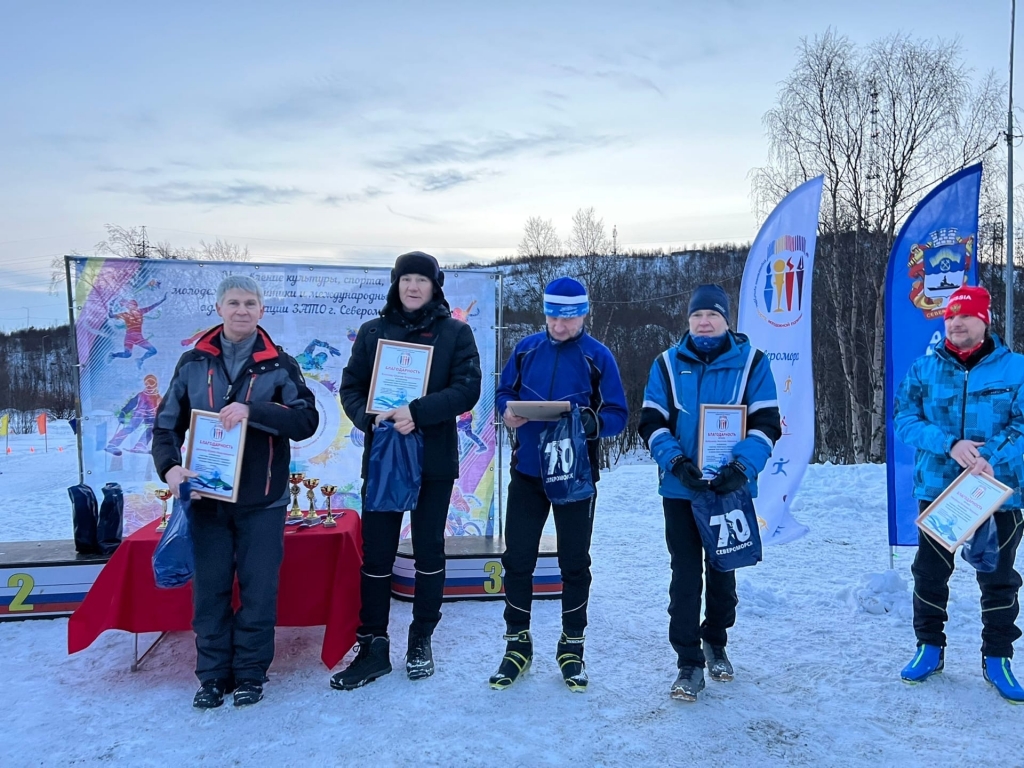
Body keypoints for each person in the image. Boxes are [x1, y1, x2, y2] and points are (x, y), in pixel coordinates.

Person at [152, 276, 318, 709]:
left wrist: (253, 411)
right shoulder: (192, 362)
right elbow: (166, 425)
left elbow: (306, 421)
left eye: (250, 303)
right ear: (219, 308)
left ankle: (249, 675)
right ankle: (211, 676)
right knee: (209, 592)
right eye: (233, 302)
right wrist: (170, 468)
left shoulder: (280, 365)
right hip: (207, 499)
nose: (241, 310)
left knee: (259, 591)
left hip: (263, 500)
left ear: (261, 311)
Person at [331, 251, 482, 690]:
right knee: (377, 553)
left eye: (422, 280)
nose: (413, 287)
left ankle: (421, 637)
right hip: (385, 460)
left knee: (429, 550)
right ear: (396, 285)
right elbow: (352, 386)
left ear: (435, 286)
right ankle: (374, 645)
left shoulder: (456, 332)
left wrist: (417, 411)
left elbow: (467, 389)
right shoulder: (373, 332)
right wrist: (369, 416)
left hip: (432, 459)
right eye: (406, 279)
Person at [638, 284, 780, 701]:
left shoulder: (753, 362)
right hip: (681, 488)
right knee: (684, 573)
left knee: (722, 570)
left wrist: (741, 467)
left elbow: (767, 423)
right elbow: (650, 422)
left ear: (726, 320)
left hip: (728, 489)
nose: (704, 322)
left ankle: (715, 641)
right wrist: (676, 462)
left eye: (712, 316)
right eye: (697, 316)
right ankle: (688, 662)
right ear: (688, 321)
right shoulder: (665, 364)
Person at [491, 277, 628, 692]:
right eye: (553, 315)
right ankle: (517, 644)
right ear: (545, 313)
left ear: (584, 314)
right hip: (528, 473)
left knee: (574, 563)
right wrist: (507, 412)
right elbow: (502, 392)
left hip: (575, 477)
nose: (560, 324)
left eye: (569, 317)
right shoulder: (526, 348)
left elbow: (619, 414)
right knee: (517, 561)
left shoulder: (597, 356)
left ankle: (572, 648)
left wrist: (591, 422)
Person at [893, 285, 1024, 703]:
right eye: (950, 317)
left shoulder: (1016, 369)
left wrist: (994, 458)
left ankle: (998, 656)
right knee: (929, 572)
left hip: (999, 491)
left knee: (998, 576)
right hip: (939, 488)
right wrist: (948, 443)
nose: (956, 323)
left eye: (965, 316)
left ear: (984, 320)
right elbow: (903, 420)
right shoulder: (924, 369)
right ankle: (929, 647)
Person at [108, 294, 167, 367]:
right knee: (127, 354)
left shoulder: (140, 311)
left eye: (134, 305)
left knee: (153, 351)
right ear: (129, 307)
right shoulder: (126, 314)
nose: (133, 307)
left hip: (139, 338)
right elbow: (111, 315)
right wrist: (111, 305)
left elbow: (152, 306)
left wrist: (162, 300)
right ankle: (113, 355)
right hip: (130, 337)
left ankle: (140, 360)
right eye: (131, 305)